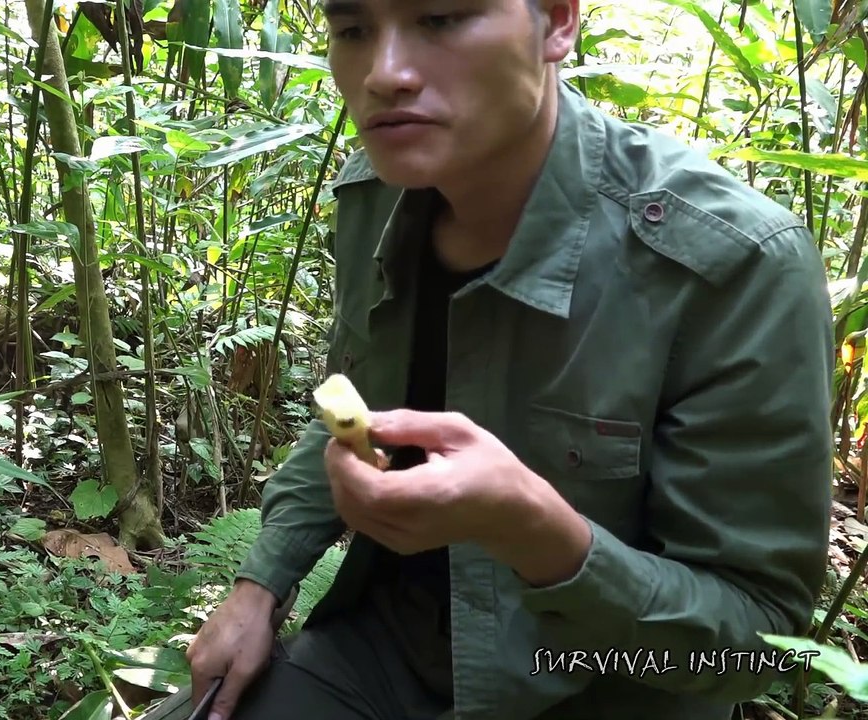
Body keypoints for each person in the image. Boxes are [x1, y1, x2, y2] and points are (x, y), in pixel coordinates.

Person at [140, 0, 834, 718]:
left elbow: (753, 643)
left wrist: (533, 530)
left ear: (557, 24)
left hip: (603, 689)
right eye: (352, 30)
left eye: (440, 19)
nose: (385, 74)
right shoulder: (378, 193)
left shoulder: (730, 265)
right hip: (382, 657)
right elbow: (357, 405)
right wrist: (259, 586)